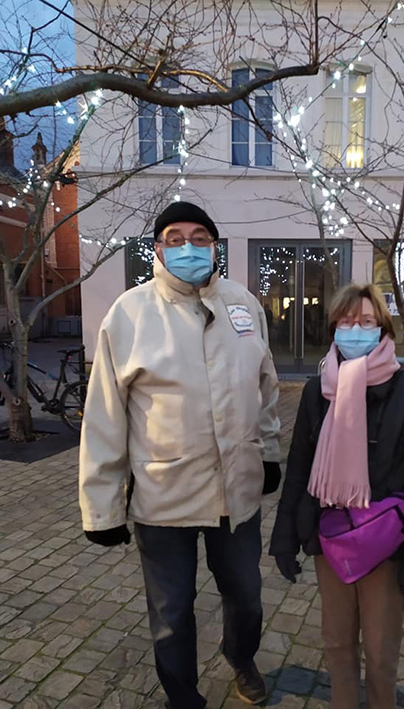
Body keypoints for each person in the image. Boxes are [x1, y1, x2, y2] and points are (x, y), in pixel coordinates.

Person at [79, 201, 282, 709]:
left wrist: (268, 451)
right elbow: (105, 414)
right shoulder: (129, 313)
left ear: (215, 246)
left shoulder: (243, 303)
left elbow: (265, 386)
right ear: (158, 247)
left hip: (237, 489)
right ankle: (183, 697)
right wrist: (102, 507)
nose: (188, 247)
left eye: (199, 237)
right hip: (163, 495)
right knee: (171, 614)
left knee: (246, 595)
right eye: (175, 238)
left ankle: (241, 656)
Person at [270, 283, 404, 709]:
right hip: (332, 540)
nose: (355, 330)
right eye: (347, 321)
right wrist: (284, 538)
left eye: (366, 321)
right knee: (337, 646)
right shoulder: (318, 391)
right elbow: (300, 468)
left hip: (386, 547)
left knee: (381, 656)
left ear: (382, 329)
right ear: (334, 328)